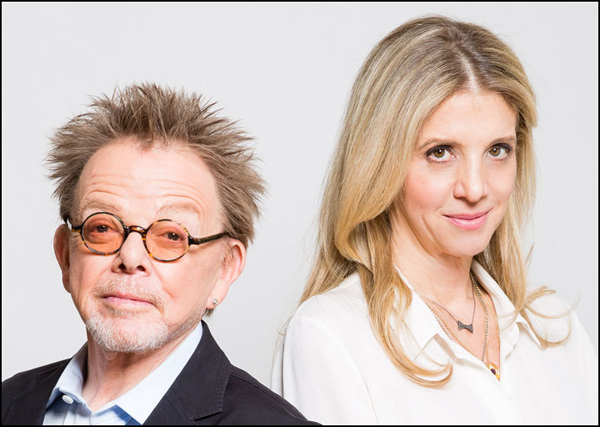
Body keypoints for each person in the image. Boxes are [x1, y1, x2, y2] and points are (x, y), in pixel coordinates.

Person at [271, 15, 598, 425]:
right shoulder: (331, 337)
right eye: (440, 152)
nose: (475, 188)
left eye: (497, 150)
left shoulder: (554, 327)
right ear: (379, 163)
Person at [1, 83, 317, 425]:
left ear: (225, 269)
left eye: (171, 236)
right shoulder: (9, 402)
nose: (130, 258)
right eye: (103, 228)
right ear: (65, 255)